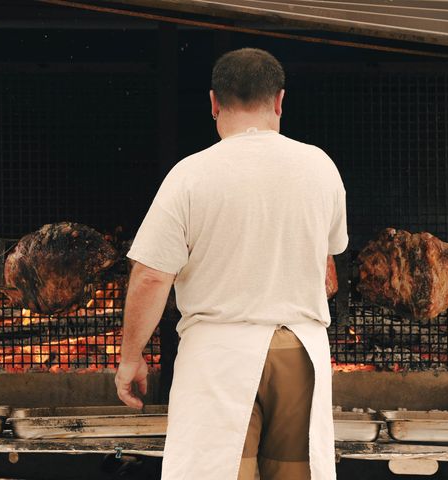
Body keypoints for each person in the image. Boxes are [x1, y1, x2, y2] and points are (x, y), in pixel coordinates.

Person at [115, 48, 347, 480]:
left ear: (214, 103)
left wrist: (131, 358)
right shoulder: (321, 167)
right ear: (279, 101)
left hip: (220, 356)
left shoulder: (190, 174)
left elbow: (150, 276)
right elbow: (326, 269)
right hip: (300, 350)